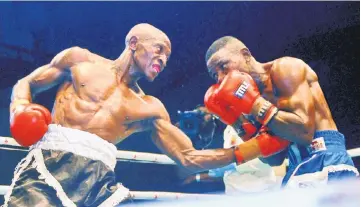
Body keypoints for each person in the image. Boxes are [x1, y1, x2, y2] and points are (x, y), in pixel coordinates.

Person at [6, 24, 238, 207]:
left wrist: (253, 148)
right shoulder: (79, 60)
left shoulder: (149, 107)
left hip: (98, 182)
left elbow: (189, 157)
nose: (163, 60)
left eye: (167, 56)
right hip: (49, 164)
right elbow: (27, 83)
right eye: (158, 49)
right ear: (134, 43)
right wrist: (20, 107)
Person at [203, 36, 359, 188]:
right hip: (298, 165)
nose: (220, 78)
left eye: (224, 66)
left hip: (323, 158)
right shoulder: (249, 97)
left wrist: (256, 104)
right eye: (215, 75)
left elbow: (304, 133)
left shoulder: (285, 68)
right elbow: (274, 160)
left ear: (246, 55)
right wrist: (239, 123)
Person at [180, 108, 285, 194]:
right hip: (235, 193)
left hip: (259, 192)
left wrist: (223, 163)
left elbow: (260, 161)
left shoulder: (252, 126)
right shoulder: (228, 131)